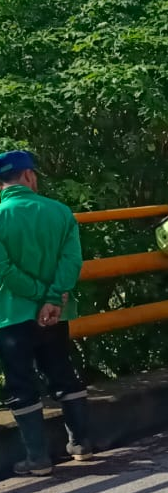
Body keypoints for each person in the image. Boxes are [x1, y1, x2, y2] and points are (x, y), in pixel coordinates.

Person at [0, 151, 92, 476]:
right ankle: (81, 444)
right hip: (56, 313)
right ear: (28, 176)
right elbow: (72, 261)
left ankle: (38, 459)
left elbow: (3, 270)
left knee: (21, 383)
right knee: (62, 373)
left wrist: (38, 296)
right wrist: (52, 298)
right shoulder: (60, 211)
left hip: (12, 315)